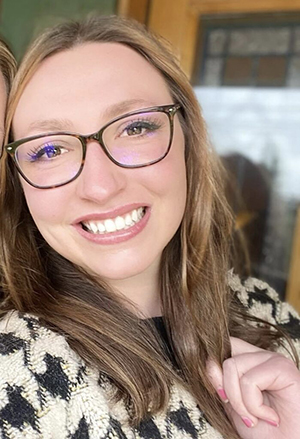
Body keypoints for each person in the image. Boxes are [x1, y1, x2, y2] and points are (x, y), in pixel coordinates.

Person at [0, 15, 299, 439]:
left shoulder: (269, 314)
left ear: (188, 141)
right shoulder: (18, 373)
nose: (101, 187)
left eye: (136, 127)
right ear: (18, 181)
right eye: (49, 149)